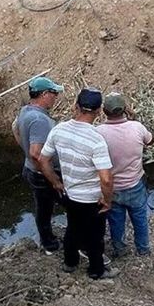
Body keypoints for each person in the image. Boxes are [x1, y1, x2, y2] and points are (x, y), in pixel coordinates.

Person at [38, 88, 118, 280]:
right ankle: (96, 270)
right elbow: (106, 178)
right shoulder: (97, 140)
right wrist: (107, 200)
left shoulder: (59, 130)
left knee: (72, 229)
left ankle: (70, 263)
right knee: (95, 236)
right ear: (98, 112)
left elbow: (42, 160)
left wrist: (56, 182)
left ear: (76, 107)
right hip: (91, 198)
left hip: (70, 194)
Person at [96, 92, 154, 257]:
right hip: (135, 185)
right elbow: (150, 141)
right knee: (140, 219)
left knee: (116, 222)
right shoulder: (137, 127)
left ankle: (120, 250)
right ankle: (143, 249)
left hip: (111, 188)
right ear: (125, 110)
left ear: (104, 111)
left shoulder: (98, 132)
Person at [14, 75, 66, 254]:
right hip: (42, 174)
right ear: (44, 94)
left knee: (43, 207)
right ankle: (52, 244)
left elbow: (15, 129)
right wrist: (54, 180)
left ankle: (48, 240)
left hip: (31, 170)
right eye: (53, 93)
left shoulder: (25, 111)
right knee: (71, 204)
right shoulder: (39, 120)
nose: (55, 97)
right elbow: (37, 153)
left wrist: (24, 149)